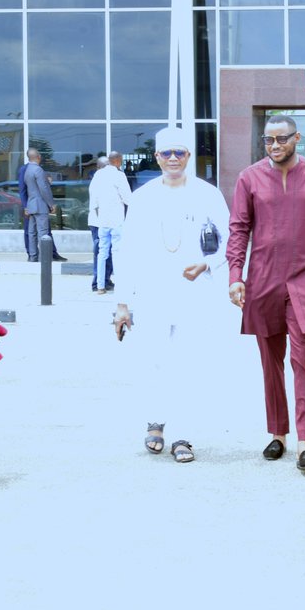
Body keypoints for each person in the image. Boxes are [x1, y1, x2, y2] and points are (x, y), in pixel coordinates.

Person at [227, 115, 305, 472]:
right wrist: (235, 275)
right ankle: (278, 434)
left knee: (304, 355)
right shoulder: (249, 178)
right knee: (270, 360)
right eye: (269, 141)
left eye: (282, 139)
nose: (275, 146)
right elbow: (239, 229)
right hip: (262, 280)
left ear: (297, 138)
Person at [112, 128, 230, 464]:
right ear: (157, 157)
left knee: (189, 363)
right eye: (167, 154)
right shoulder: (144, 197)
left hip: (195, 293)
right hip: (152, 294)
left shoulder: (208, 195)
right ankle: (156, 422)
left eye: (180, 152)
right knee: (154, 360)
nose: (173, 159)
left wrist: (207, 264)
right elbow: (128, 251)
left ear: (189, 156)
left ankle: (184, 435)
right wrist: (123, 302)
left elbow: (231, 239)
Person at [88, 151, 131, 293]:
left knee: (102, 253)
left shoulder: (98, 175)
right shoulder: (119, 175)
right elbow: (127, 198)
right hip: (116, 220)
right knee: (118, 253)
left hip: (102, 221)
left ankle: (100, 286)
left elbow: (93, 198)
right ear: (118, 160)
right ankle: (121, 285)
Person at [19, 148, 67, 262]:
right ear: (38, 157)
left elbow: (29, 188)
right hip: (40, 206)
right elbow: (43, 189)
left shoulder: (26, 170)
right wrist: (52, 204)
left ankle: (33, 256)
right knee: (43, 233)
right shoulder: (38, 170)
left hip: (31, 206)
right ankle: (44, 259)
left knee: (31, 233)